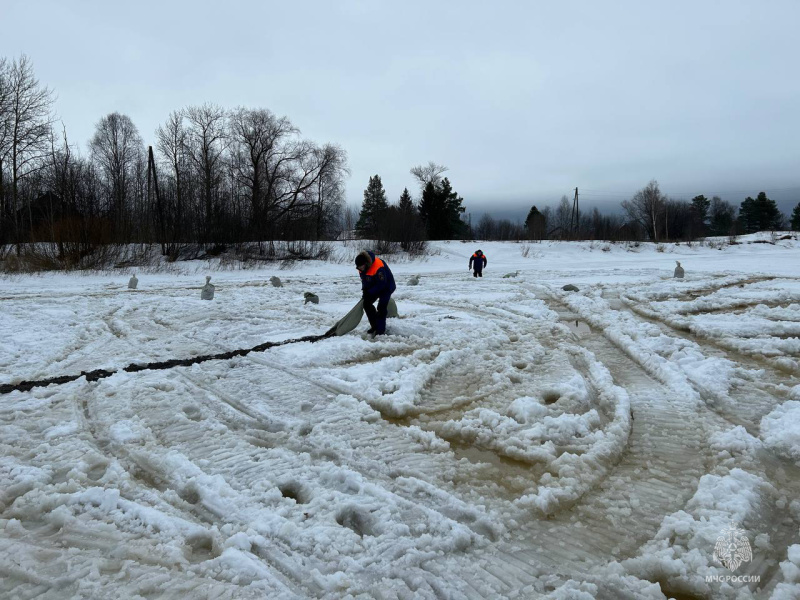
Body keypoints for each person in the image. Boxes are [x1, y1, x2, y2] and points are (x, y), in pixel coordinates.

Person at [355, 250, 396, 336]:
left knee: (381, 308)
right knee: (366, 304)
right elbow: (365, 280)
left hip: (387, 287)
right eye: (359, 268)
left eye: (361, 267)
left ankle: (380, 331)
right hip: (375, 286)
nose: (360, 269)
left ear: (366, 263)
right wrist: (365, 291)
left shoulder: (378, 266)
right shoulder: (361, 268)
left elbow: (382, 284)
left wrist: (370, 292)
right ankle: (375, 326)